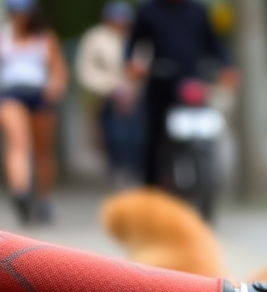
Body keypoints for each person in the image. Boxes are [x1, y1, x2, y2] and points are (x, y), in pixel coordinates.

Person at [125, 0, 239, 189]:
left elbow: (215, 44)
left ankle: (204, 176)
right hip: (160, 83)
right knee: (153, 139)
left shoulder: (199, 11)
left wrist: (227, 67)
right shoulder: (148, 10)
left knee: (207, 129)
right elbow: (132, 43)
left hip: (193, 84)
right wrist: (133, 63)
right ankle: (151, 191)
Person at [0, 0, 68, 224]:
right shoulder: (4, 36)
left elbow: (58, 69)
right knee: (18, 143)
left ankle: (45, 198)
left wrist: (56, 85)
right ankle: (21, 193)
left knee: (43, 151)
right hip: (10, 93)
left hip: (40, 93)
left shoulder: (45, 38)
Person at [75, 2, 141, 187]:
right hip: (108, 96)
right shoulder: (95, 38)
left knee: (138, 137)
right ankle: (117, 171)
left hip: (137, 95)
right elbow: (85, 70)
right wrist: (110, 87)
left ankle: (137, 171)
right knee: (115, 136)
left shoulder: (137, 36)